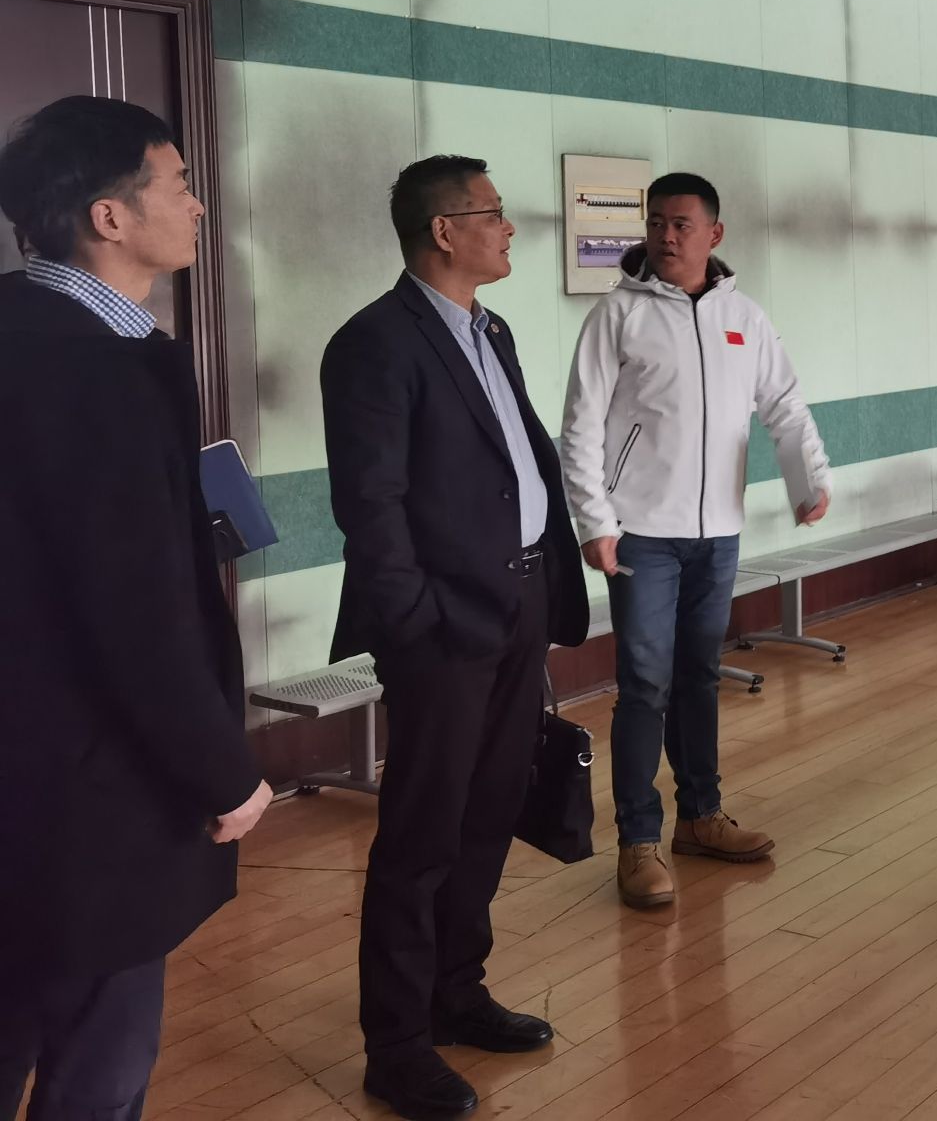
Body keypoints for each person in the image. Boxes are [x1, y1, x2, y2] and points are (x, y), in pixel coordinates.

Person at [0, 96, 271, 1121]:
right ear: (109, 217)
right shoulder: (98, 369)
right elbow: (137, 610)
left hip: (21, 777)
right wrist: (224, 770)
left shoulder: (23, 328)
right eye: (180, 183)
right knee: (97, 1067)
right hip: (96, 790)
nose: (198, 206)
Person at [321, 156, 589, 1120]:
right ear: (444, 231)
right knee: (422, 834)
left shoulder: (489, 329)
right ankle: (395, 1045)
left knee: (487, 813)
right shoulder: (374, 343)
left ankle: (455, 990)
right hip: (442, 627)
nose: (510, 228)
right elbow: (371, 504)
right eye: (494, 213)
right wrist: (415, 623)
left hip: (518, 605)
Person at [560, 171, 831, 910]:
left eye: (681, 224)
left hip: (718, 537)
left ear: (714, 233)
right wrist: (596, 522)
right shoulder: (617, 316)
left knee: (700, 678)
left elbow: (784, 405)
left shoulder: (744, 316)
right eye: (656, 223)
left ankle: (701, 816)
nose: (666, 235)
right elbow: (581, 425)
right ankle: (638, 840)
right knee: (646, 684)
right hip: (642, 536)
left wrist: (808, 482)